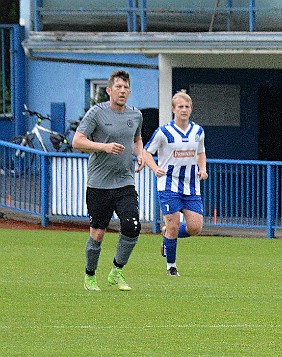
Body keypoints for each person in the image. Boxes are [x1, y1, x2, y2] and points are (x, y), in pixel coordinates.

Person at [73, 70, 144, 291]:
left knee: (132, 226)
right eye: (119, 87)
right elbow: (77, 141)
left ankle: (117, 271)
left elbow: (137, 138)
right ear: (109, 90)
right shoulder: (96, 113)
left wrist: (140, 154)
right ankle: (90, 275)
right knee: (98, 233)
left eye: (126, 88)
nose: (123, 91)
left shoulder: (136, 115)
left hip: (125, 181)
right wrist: (103, 147)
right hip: (99, 183)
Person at [141, 90, 207, 276]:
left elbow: (201, 153)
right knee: (173, 223)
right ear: (173, 109)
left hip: (191, 185)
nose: (184, 110)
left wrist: (202, 169)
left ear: (191, 109)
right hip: (168, 184)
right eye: (180, 107)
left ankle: (167, 234)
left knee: (195, 227)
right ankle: (171, 266)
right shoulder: (163, 132)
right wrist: (155, 169)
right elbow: (147, 152)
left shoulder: (198, 131)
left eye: (187, 107)